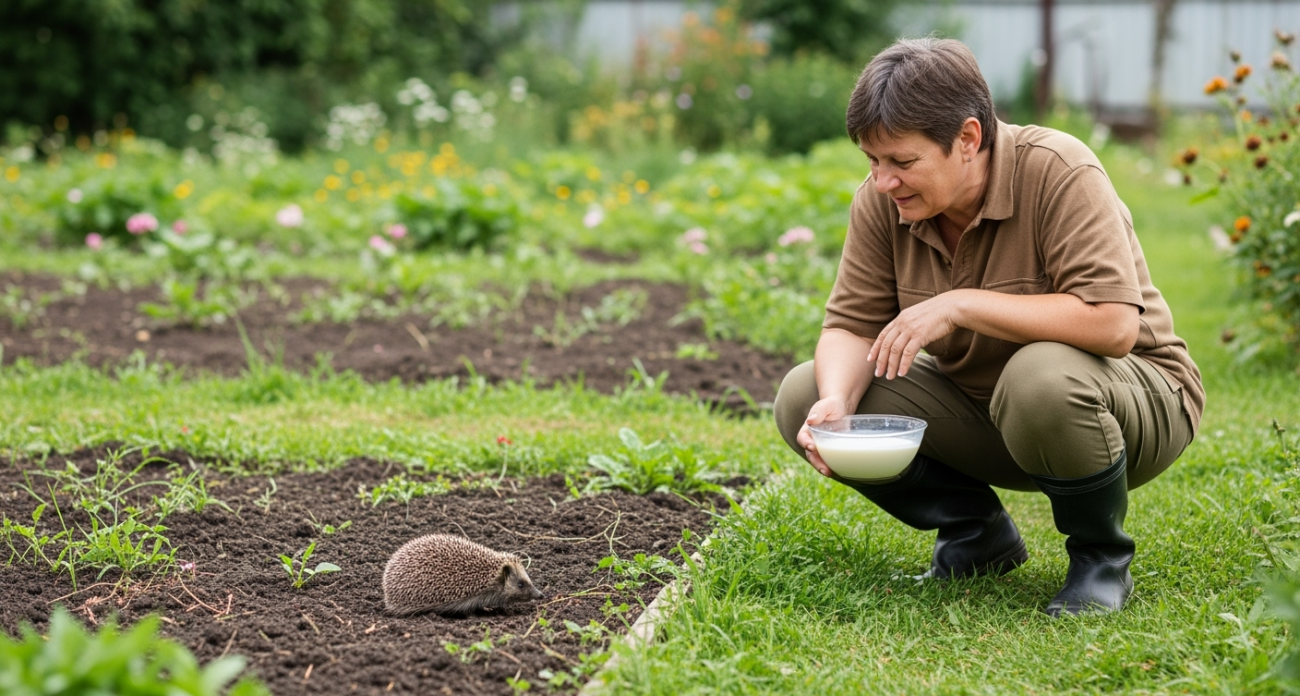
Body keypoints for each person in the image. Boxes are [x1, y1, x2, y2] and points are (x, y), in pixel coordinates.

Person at [773, 37, 1203, 617]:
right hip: (992, 413)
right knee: (804, 393)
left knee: (1039, 375)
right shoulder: (882, 203)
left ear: (969, 138)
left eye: (902, 162)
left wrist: (961, 305)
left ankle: (1100, 558)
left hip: (1132, 404)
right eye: (872, 161)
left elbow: (1113, 325)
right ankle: (977, 535)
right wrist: (836, 402)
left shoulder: (1059, 170)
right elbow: (851, 326)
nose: (883, 181)